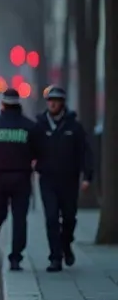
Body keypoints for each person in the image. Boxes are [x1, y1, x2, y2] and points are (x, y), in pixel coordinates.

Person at [0, 87, 41, 271]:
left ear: (3, 104)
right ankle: (15, 258)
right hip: (22, 177)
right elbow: (37, 152)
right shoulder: (30, 126)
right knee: (20, 218)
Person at [36, 85, 94, 272]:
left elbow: (85, 152)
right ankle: (55, 257)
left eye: (56, 101)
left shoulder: (74, 127)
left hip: (69, 180)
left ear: (62, 104)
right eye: (50, 101)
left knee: (69, 218)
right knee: (51, 218)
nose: (52, 104)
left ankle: (66, 244)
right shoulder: (39, 126)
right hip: (47, 179)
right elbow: (30, 148)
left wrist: (87, 176)